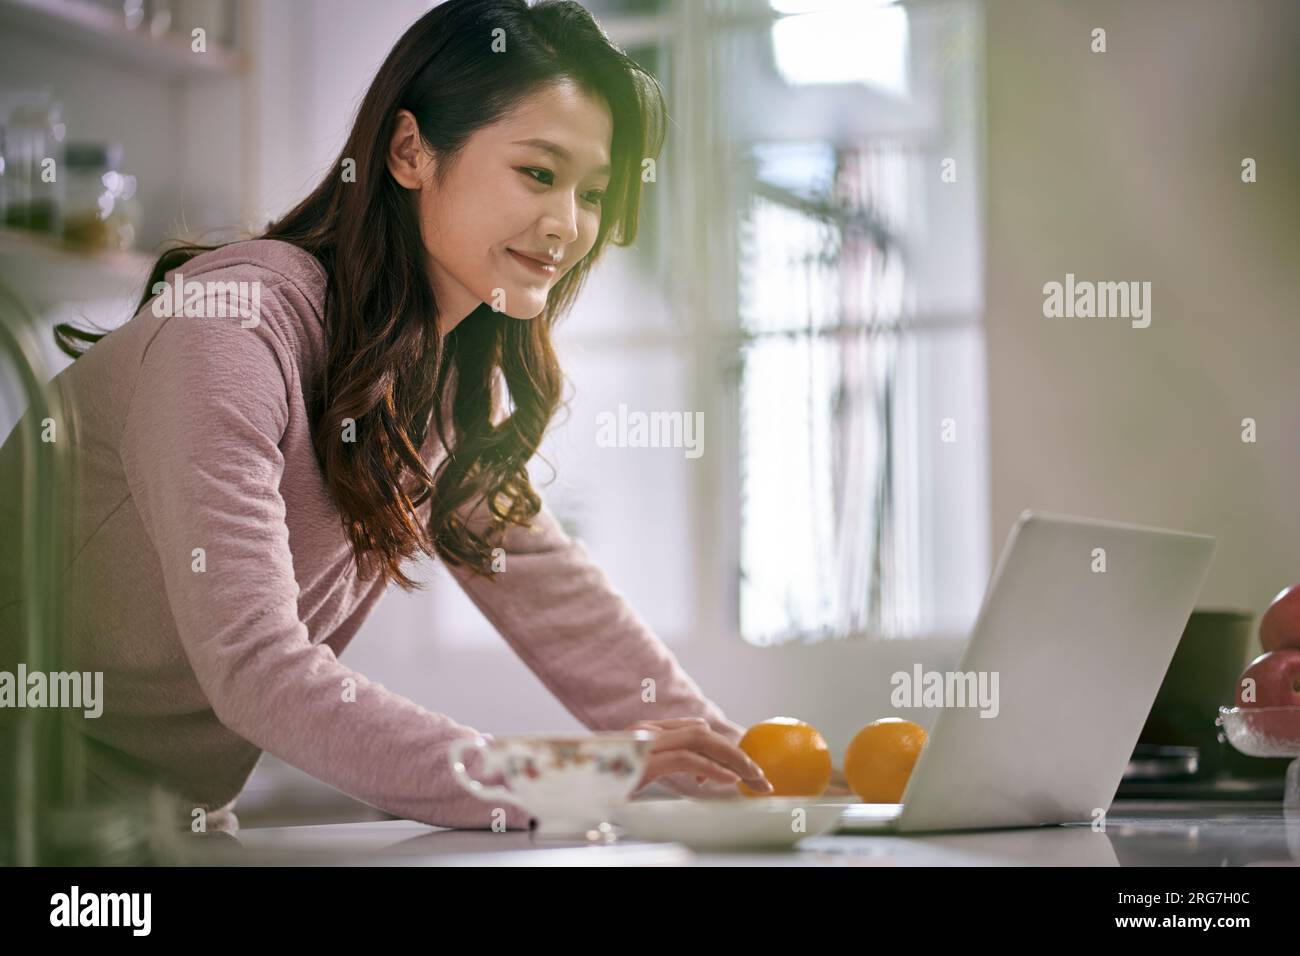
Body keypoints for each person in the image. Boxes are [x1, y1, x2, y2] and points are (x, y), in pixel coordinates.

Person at [0, 0, 795, 835]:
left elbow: (558, 600)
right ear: (410, 151)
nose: (569, 225)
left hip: (144, 829)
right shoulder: (231, 331)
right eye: (538, 173)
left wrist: (754, 779)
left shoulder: (433, 383)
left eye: (592, 193)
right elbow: (257, 670)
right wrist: (568, 776)